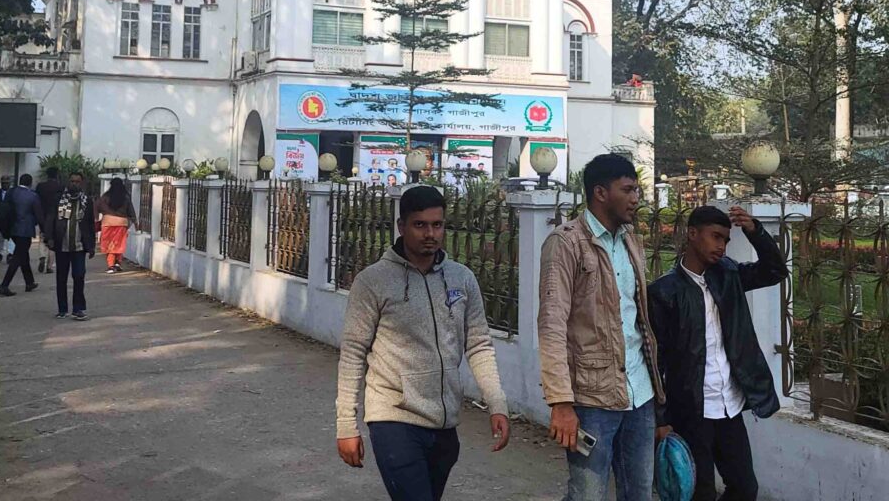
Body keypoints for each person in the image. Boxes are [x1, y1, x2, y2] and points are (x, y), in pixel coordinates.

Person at [336, 185, 510, 501]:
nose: (430, 233)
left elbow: (479, 345)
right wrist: (346, 425)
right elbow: (352, 354)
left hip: (444, 424)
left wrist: (497, 404)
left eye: (437, 224)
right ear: (402, 227)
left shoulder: (462, 278)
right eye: (420, 225)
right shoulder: (373, 281)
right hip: (393, 419)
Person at [538, 153, 665, 501]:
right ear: (600, 192)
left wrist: (658, 396)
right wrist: (561, 403)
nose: (636, 199)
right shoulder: (565, 244)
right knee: (587, 495)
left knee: (639, 494)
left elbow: (636, 318)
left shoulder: (630, 241)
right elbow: (551, 325)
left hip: (640, 394)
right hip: (591, 400)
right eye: (628, 190)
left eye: (637, 190)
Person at [649, 206, 788, 501]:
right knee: (700, 492)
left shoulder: (730, 275)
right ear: (692, 234)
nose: (721, 246)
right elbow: (655, 359)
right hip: (690, 409)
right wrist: (661, 419)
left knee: (745, 488)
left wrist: (755, 231)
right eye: (715, 237)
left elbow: (775, 271)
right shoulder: (665, 292)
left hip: (729, 406)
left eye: (725, 239)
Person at [52, 171, 95, 320]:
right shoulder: (59, 199)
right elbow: (51, 218)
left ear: (81, 184)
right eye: (72, 181)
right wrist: (50, 238)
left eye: (77, 182)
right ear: (68, 182)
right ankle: (62, 309)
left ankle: (78, 309)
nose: (74, 184)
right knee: (61, 278)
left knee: (79, 276)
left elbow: (90, 224)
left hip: (79, 246)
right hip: (62, 245)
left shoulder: (86, 201)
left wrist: (91, 246)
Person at [0, 174, 44, 297]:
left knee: (23, 254)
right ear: (30, 182)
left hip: (12, 228)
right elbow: (38, 214)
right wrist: (44, 229)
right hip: (26, 229)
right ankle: (4, 285)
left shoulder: (11, 192)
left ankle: (29, 282)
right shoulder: (33, 196)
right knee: (18, 256)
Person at [95, 177, 136, 273]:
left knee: (109, 244)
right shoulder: (125, 197)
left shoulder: (105, 197)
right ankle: (118, 262)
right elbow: (131, 210)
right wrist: (135, 221)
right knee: (119, 243)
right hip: (122, 224)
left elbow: (96, 207)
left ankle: (111, 265)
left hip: (107, 224)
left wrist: (96, 218)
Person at [35, 167, 62, 274]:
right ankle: (49, 266)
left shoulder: (40, 186)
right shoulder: (60, 187)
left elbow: (36, 200)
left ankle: (42, 255)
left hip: (43, 215)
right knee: (53, 240)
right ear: (56, 175)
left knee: (43, 236)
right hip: (56, 216)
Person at [0, 174, 13, 262]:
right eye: (3, 183)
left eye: (7, 183)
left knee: (11, 238)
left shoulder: (13, 193)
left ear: (10, 183)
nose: (5, 185)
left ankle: (10, 254)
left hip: (10, 219)